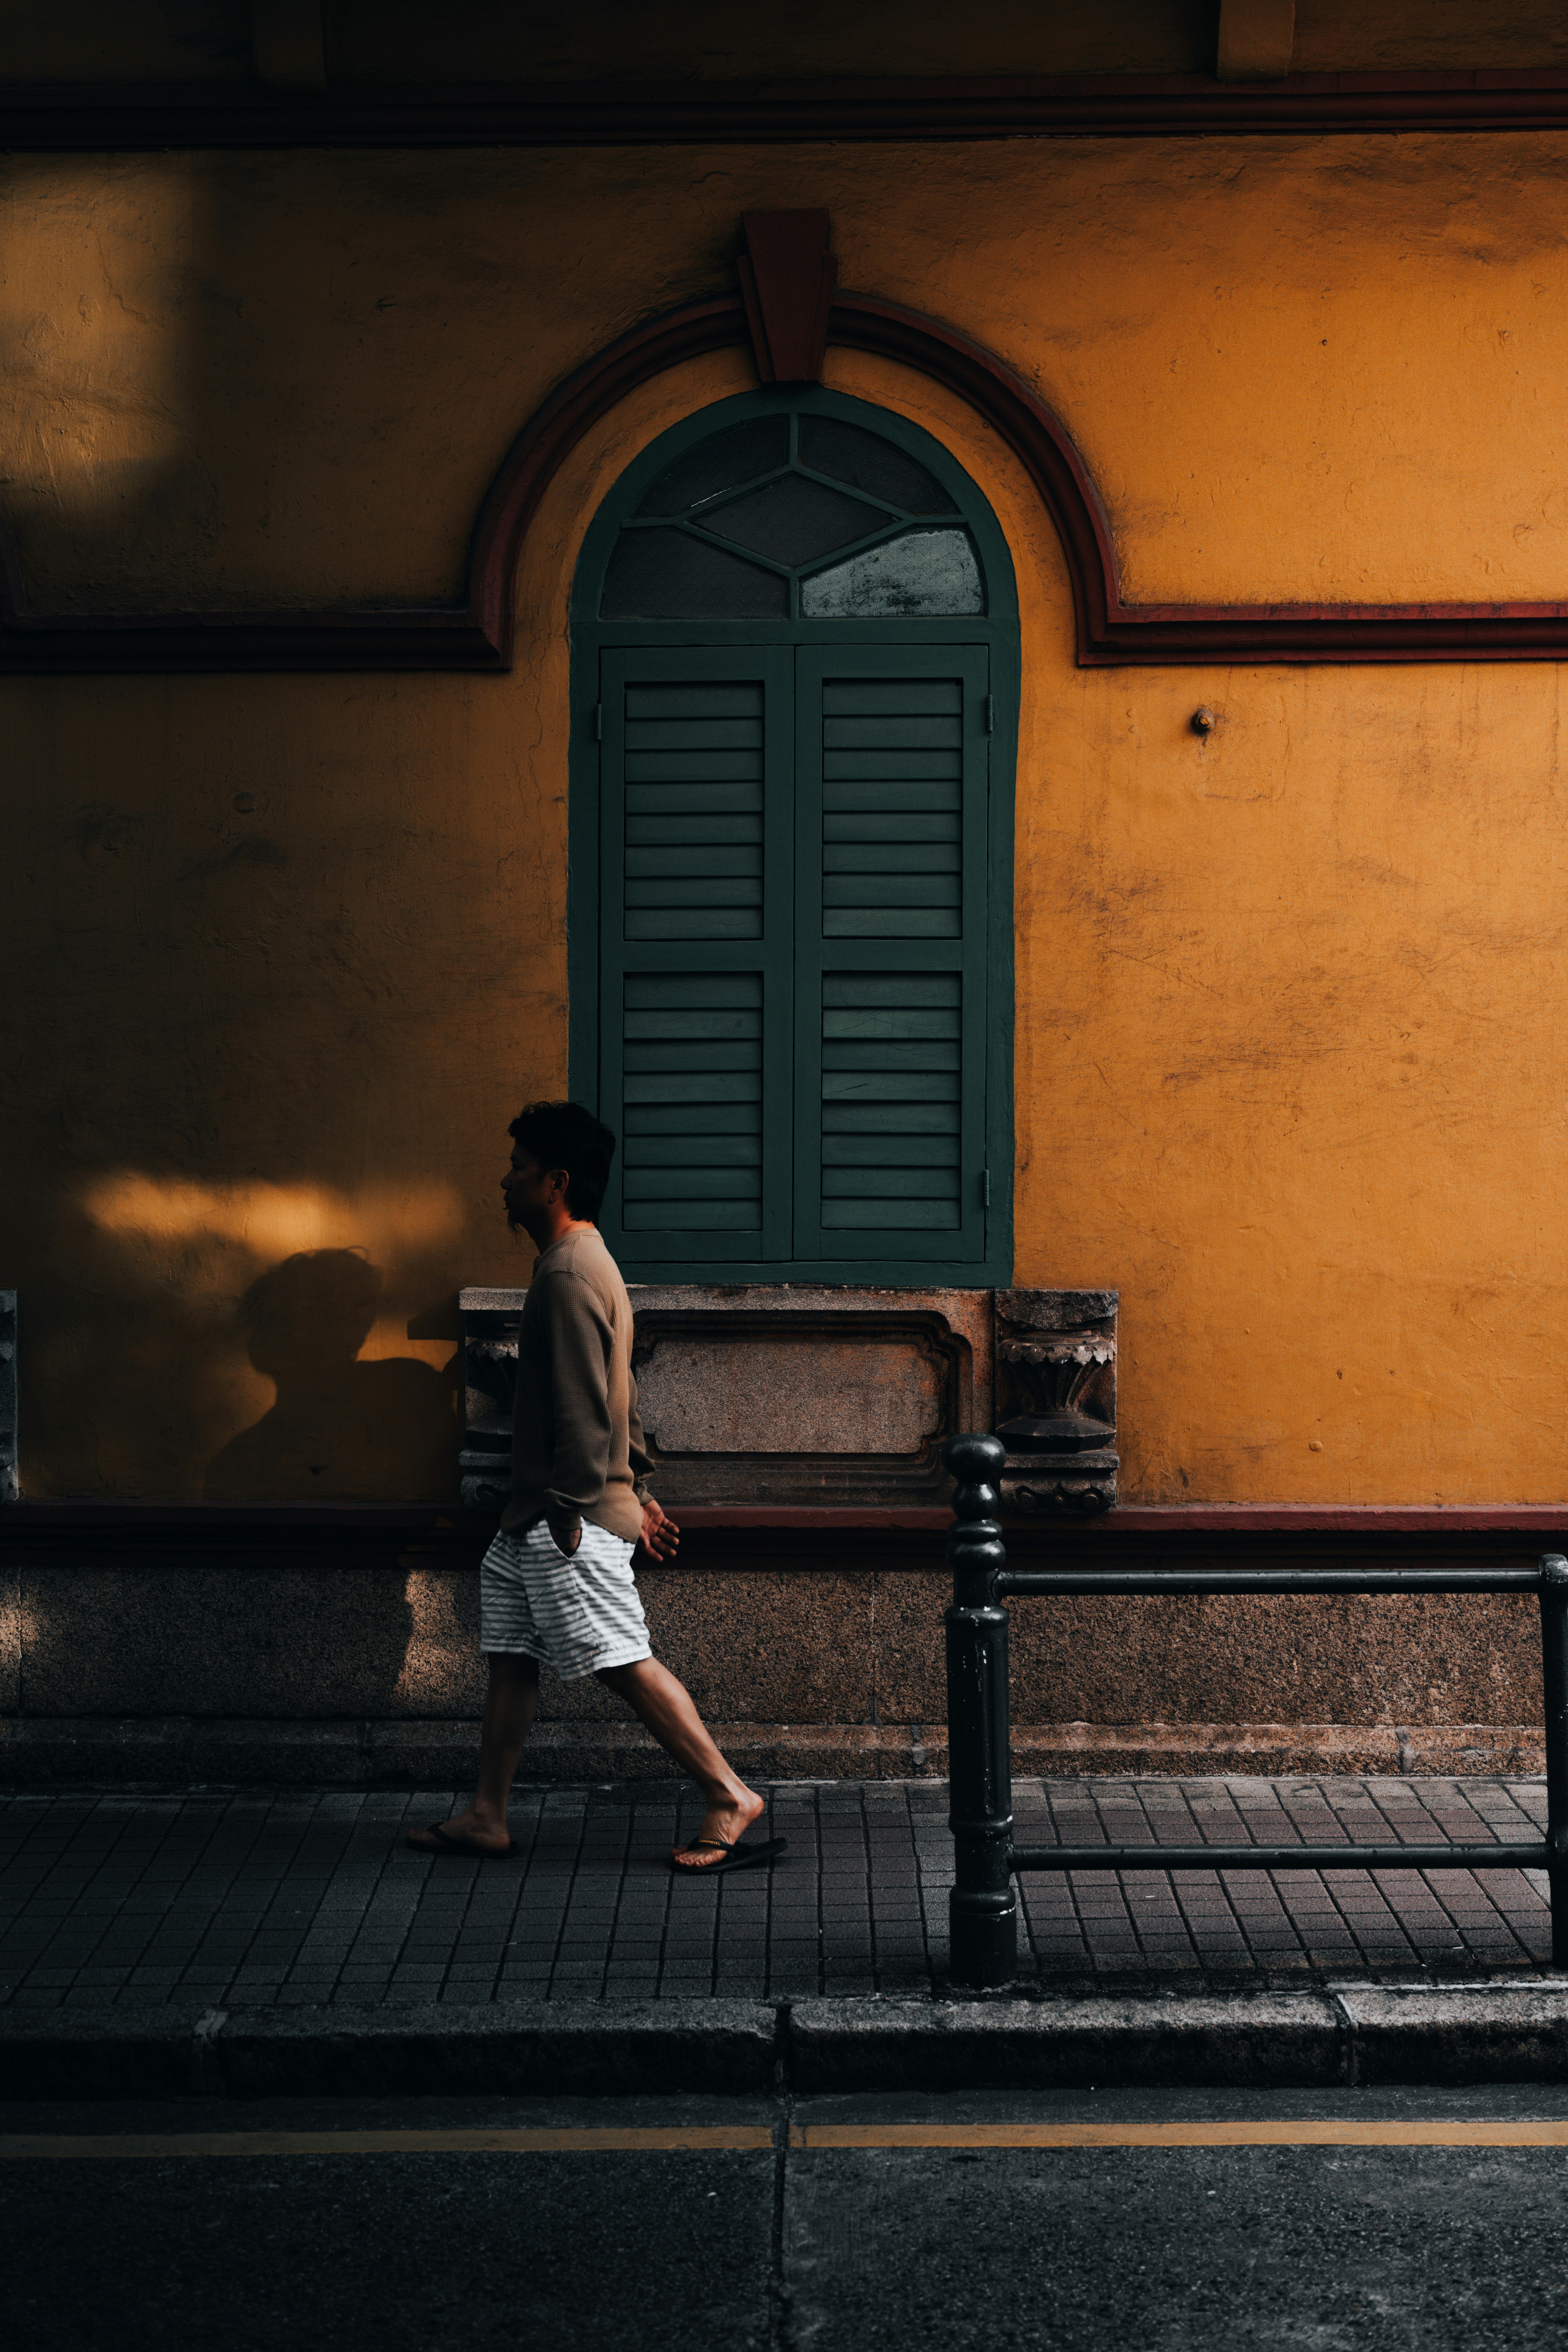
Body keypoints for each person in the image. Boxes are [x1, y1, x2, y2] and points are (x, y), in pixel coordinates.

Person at [407, 1101, 785, 1875]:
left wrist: (581, 1510)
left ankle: (728, 1794)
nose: (504, 1180)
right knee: (513, 1652)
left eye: (518, 1168)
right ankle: (488, 1813)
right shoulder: (573, 1264)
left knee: (618, 1656)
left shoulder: (574, 1272)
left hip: (562, 1515)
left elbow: (586, 1405)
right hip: (537, 1516)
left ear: (557, 1181)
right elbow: (622, 1397)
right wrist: (638, 1493)